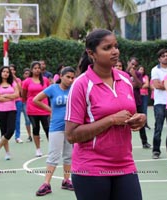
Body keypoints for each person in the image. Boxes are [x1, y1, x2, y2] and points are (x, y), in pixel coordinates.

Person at [65, 29, 145, 200]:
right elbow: (71, 135)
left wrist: (139, 119)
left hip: (125, 164)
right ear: (91, 53)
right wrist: (110, 120)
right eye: (107, 48)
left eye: (116, 46)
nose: (115, 51)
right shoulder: (81, 85)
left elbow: (129, 113)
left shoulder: (125, 80)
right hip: (91, 168)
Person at [35, 67, 76, 196]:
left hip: (70, 127)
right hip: (56, 127)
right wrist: (50, 110)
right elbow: (36, 99)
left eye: (72, 77)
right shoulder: (53, 88)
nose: (70, 80)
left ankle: (66, 180)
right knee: (53, 155)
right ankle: (46, 183)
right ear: (60, 76)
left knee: (68, 155)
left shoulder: (74, 90)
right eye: (67, 77)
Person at [22, 61, 51, 157]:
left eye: (38, 68)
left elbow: (50, 93)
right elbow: (24, 94)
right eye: (35, 68)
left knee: (48, 129)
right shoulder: (27, 81)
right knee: (36, 129)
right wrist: (28, 102)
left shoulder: (46, 80)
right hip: (32, 109)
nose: (37, 69)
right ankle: (38, 149)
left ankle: (51, 148)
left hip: (44, 108)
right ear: (31, 70)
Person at [0, 66, 19, 160]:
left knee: (11, 130)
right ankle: (7, 153)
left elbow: (17, 95)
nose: (5, 73)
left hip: (12, 109)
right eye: (4, 71)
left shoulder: (13, 83)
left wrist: (6, 95)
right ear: (0, 73)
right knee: (3, 132)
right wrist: (10, 97)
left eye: (7, 72)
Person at [126, 57, 151, 149]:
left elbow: (140, 85)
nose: (133, 67)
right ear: (128, 63)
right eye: (132, 64)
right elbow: (127, 86)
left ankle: (144, 142)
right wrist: (133, 84)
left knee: (141, 123)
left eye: (135, 66)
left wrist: (134, 76)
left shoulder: (138, 74)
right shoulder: (123, 74)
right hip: (126, 102)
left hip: (137, 101)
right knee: (124, 123)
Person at [9, 64, 23, 143]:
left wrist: (14, 78)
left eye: (12, 70)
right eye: (9, 70)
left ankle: (17, 136)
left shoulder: (18, 80)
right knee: (8, 120)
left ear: (15, 71)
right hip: (9, 102)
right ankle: (4, 136)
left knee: (17, 120)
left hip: (17, 101)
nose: (11, 71)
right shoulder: (5, 80)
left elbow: (20, 90)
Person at [138, 65, 151, 130]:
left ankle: (145, 124)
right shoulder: (136, 77)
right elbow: (136, 85)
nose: (141, 71)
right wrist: (141, 85)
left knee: (144, 110)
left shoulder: (145, 77)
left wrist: (140, 85)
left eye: (142, 70)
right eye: (140, 69)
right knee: (138, 110)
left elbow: (147, 85)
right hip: (138, 95)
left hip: (144, 95)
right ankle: (139, 124)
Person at [22, 68, 32, 142]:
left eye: (28, 73)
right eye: (25, 73)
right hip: (26, 103)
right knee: (27, 119)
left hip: (34, 103)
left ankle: (36, 134)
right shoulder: (23, 83)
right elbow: (22, 94)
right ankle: (29, 135)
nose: (27, 75)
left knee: (35, 119)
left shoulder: (34, 82)